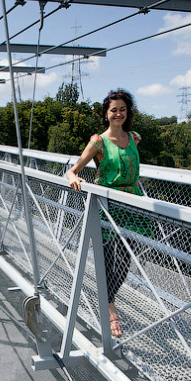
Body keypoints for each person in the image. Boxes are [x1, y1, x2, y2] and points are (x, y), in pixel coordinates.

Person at [65, 88, 153, 337]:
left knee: (125, 261)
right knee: (106, 260)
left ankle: (106, 298)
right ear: (106, 113)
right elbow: (73, 170)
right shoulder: (98, 142)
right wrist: (73, 178)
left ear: (128, 112)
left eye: (122, 110)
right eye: (114, 110)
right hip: (106, 204)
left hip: (131, 204)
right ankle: (111, 310)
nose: (118, 114)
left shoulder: (134, 138)